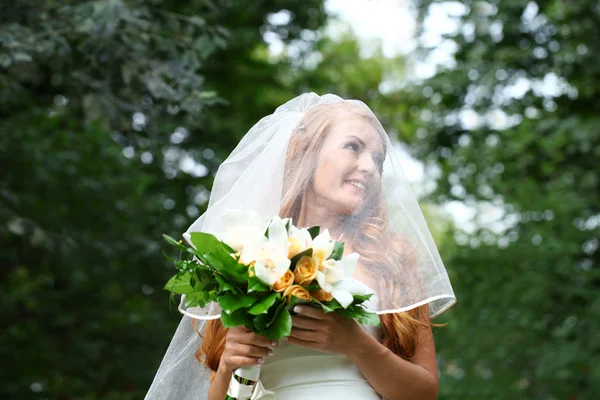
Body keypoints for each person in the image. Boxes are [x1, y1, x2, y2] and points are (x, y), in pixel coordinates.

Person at [145, 93, 456, 400]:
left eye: (377, 159)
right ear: (306, 153)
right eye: (353, 147)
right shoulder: (250, 254)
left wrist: (356, 344)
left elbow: (424, 393)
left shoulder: (392, 259)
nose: (370, 168)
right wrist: (230, 363)